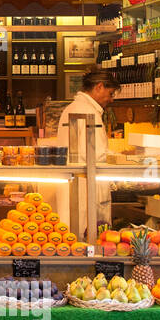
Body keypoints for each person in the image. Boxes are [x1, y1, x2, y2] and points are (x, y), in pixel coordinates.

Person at [54, 68, 120, 237]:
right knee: (86, 238)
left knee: (73, 236)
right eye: (110, 93)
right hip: (86, 188)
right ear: (99, 87)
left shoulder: (72, 108)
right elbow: (96, 155)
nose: (111, 99)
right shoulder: (90, 113)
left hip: (75, 185)